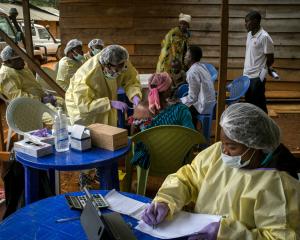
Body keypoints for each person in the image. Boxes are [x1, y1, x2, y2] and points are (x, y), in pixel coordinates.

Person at [141, 103, 300, 239]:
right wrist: (166, 200)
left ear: (255, 145)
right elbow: (188, 177)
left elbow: (281, 236)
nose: (224, 151)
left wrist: (227, 234)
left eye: (231, 146)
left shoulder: (279, 183)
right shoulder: (217, 153)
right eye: (222, 143)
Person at [243, 11, 275, 113]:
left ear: (256, 21)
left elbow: (270, 58)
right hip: (247, 75)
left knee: (259, 105)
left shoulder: (264, 37)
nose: (245, 24)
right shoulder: (249, 34)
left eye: (247, 21)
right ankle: (253, 126)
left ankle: (265, 126)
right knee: (249, 104)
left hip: (257, 77)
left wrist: (264, 70)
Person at [180, 46, 216, 126]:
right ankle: (193, 128)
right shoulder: (201, 67)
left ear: (190, 57)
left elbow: (192, 98)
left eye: (186, 56)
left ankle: (190, 132)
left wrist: (179, 100)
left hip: (203, 106)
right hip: (210, 103)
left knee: (179, 109)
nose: (184, 58)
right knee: (184, 104)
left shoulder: (192, 72)